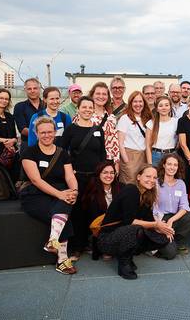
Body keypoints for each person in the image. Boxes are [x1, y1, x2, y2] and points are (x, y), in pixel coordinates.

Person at [20, 116, 78, 275]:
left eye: (49, 132)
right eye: (42, 132)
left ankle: (53, 241)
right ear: (36, 134)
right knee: (63, 214)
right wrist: (60, 194)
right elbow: (36, 180)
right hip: (34, 194)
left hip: (58, 192)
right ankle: (62, 259)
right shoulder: (29, 152)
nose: (46, 135)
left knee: (66, 201)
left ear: (55, 132)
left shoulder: (62, 153)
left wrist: (74, 191)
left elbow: (70, 176)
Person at [97, 165, 173, 279]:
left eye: (154, 177)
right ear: (138, 177)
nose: (151, 180)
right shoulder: (131, 190)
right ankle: (124, 262)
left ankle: (128, 254)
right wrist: (156, 224)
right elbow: (130, 221)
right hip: (107, 239)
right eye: (148, 176)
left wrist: (164, 229)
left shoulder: (147, 195)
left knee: (163, 237)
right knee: (135, 228)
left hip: (124, 234)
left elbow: (150, 220)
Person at [61, 96, 107, 259]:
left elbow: (103, 154)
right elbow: (61, 152)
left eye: (90, 107)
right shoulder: (71, 130)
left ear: (93, 109)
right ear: (78, 109)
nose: (87, 110)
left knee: (96, 211)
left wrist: (104, 175)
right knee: (78, 212)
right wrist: (68, 170)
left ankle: (95, 245)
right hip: (76, 178)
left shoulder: (98, 130)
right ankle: (77, 247)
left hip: (95, 178)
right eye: (84, 107)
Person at [154, 154, 190, 258]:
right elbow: (154, 209)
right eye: (169, 164)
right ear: (164, 165)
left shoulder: (181, 183)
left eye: (175, 165)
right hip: (160, 219)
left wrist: (171, 220)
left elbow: (184, 207)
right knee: (170, 254)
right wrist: (161, 226)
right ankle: (160, 244)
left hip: (175, 218)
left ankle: (177, 242)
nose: (172, 167)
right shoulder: (156, 183)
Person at [82, 160, 119, 261]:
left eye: (112, 173)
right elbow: (93, 220)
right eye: (105, 172)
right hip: (98, 228)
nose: (109, 176)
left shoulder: (120, 189)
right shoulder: (92, 192)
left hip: (116, 226)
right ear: (99, 174)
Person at [76, 82, 120, 166]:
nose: (101, 96)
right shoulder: (81, 115)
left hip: (107, 163)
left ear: (108, 97)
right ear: (92, 95)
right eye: (98, 93)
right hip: (88, 160)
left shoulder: (112, 118)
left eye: (104, 94)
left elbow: (115, 143)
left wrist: (117, 162)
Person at [117, 91, 152, 184]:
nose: (138, 104)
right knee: (130, 186)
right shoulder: (125, 118)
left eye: (140, 101)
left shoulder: (148, 118)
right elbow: (120, 143)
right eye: (135, 102)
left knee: (143, 185)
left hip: (144, 156)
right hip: (130, 156)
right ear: (130, 103)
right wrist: (127, 162)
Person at [145, 96, 178, 166]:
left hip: (171, 155)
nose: (164, 108)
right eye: (160, 105)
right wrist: (150, 163)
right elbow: (147, 145)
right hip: (155, 156)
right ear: (157, 109)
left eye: (166, 105)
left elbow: (180, 141)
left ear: (170, 107)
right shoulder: (151, 123)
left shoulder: (176, 122)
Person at [13, 77, 43, 151]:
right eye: (29, 89)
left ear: (39, 89)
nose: (32, 91)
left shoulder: (47, 105)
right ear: (25, 90)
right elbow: (23, 129)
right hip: (28, 146)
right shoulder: (19, 107)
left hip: (48, 145)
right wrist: (44, 135)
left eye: (35, 88)